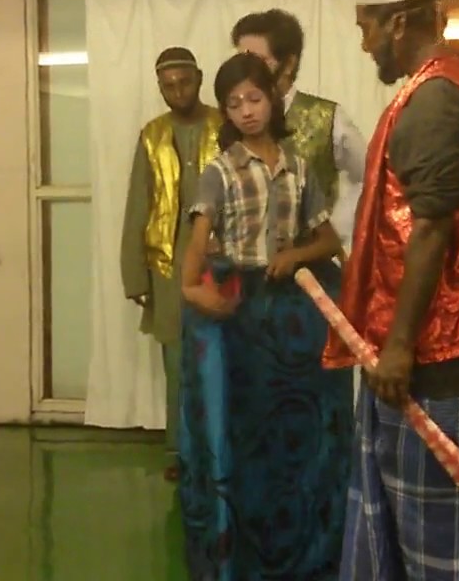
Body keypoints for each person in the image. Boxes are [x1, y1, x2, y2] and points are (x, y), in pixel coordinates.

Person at [325, 0, 459, 580]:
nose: (364, 44)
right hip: (435, 339)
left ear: (398, 22)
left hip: (441, 348)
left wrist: (400, 346)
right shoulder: (446, 81)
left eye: (366, 27)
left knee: (442, 536)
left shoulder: (434, 101)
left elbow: (432, 228)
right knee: (407, 521)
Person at [178, 52, 353, 580]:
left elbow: (327, 240)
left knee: (294, 434)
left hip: (290, 318)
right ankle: (242, 556)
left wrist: (296, 255)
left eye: (254, 98)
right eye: (233, 104)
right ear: (225, 112)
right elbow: (196, 247)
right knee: (244, 433)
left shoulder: (298, 167)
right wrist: (194, 291)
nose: (246, 111)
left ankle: (300, 553)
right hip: (242, 316)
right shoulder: (219, 171)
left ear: (272, 99)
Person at [120, 46, 223, 482]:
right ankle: (179, 452)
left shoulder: (225, 125)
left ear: (199, 78)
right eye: (169, 86)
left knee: (219, 357)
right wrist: (134, 275)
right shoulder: (153, 135)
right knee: (177, 362)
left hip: (219, 257)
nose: (178, 91)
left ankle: (219, 450)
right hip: (167, 261)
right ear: (160, 88)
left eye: (184, 82)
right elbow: (138, 204)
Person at [231, 9, 367, 247]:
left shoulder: (326, 117)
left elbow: (369, 177)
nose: (246, 73)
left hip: (314, 260)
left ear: (288, 64)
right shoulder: (232, 121)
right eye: (241, 61)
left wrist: (337, 229)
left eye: (257, 61)